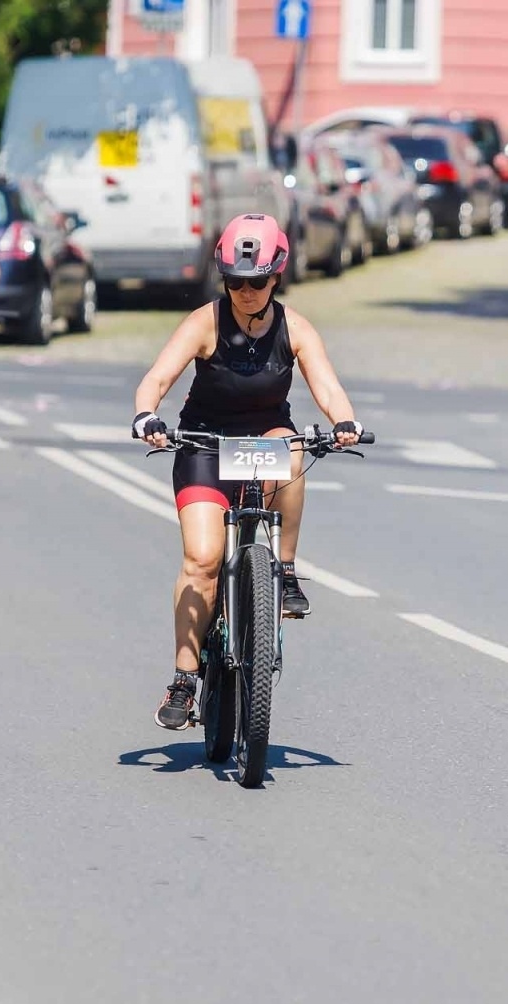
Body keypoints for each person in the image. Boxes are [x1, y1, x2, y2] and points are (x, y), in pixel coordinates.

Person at [131, 214, 363, 731]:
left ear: (276, 275)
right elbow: (157, 378)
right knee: (202, 559)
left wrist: (343, 422)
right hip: (206, 444)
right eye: (235, 281)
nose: (246, 290)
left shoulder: (295, 327)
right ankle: (184, 680)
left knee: (292, 450)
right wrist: (148, 416)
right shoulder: (204, 322)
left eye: (256, 281)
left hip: (263, 439)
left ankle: (283, 570)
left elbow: (326, 386)